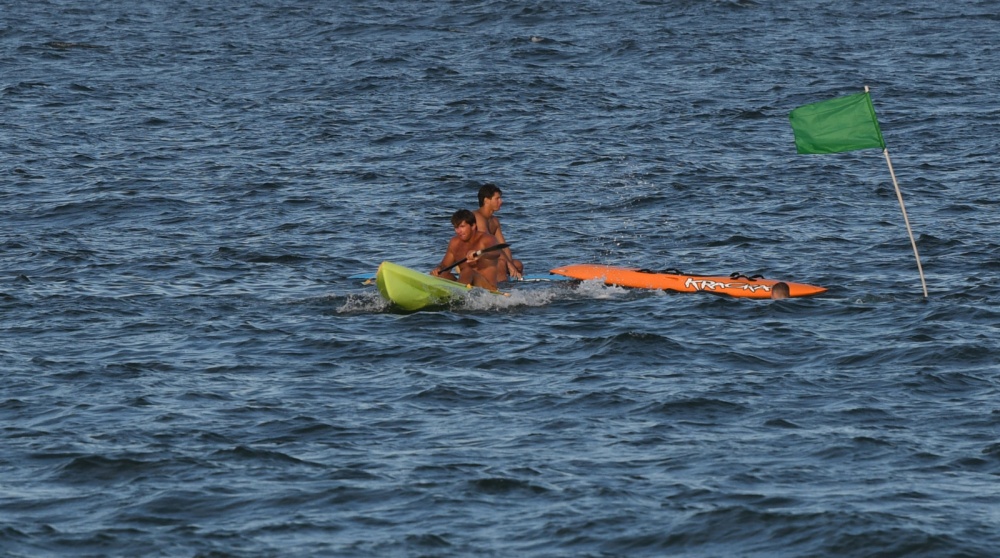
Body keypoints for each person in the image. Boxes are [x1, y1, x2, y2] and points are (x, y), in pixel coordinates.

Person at [430, 209, 501, 290]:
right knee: (441, 274)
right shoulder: (454, 243)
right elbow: (445, 265)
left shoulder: (487, 239)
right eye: (456, 227)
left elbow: (496, 252)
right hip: (465, 286)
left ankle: (457, 293)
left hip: (487, 290)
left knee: (468, 271)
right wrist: (438, 269)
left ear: (473, 226)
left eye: (462, 227)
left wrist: (481, 254)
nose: (458, 231)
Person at [474, 183, 523, 281]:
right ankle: (502, 288)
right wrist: (507, 264)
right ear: (486, 200)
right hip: (475, 259)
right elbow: (491, 245)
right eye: (497, 199)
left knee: (518, 265)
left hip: (489, 257)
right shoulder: (478, 217)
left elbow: (503, 246)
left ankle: (514, 284)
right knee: (501, 263)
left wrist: (511, 264)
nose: (501, 201)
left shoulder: (494, 220)